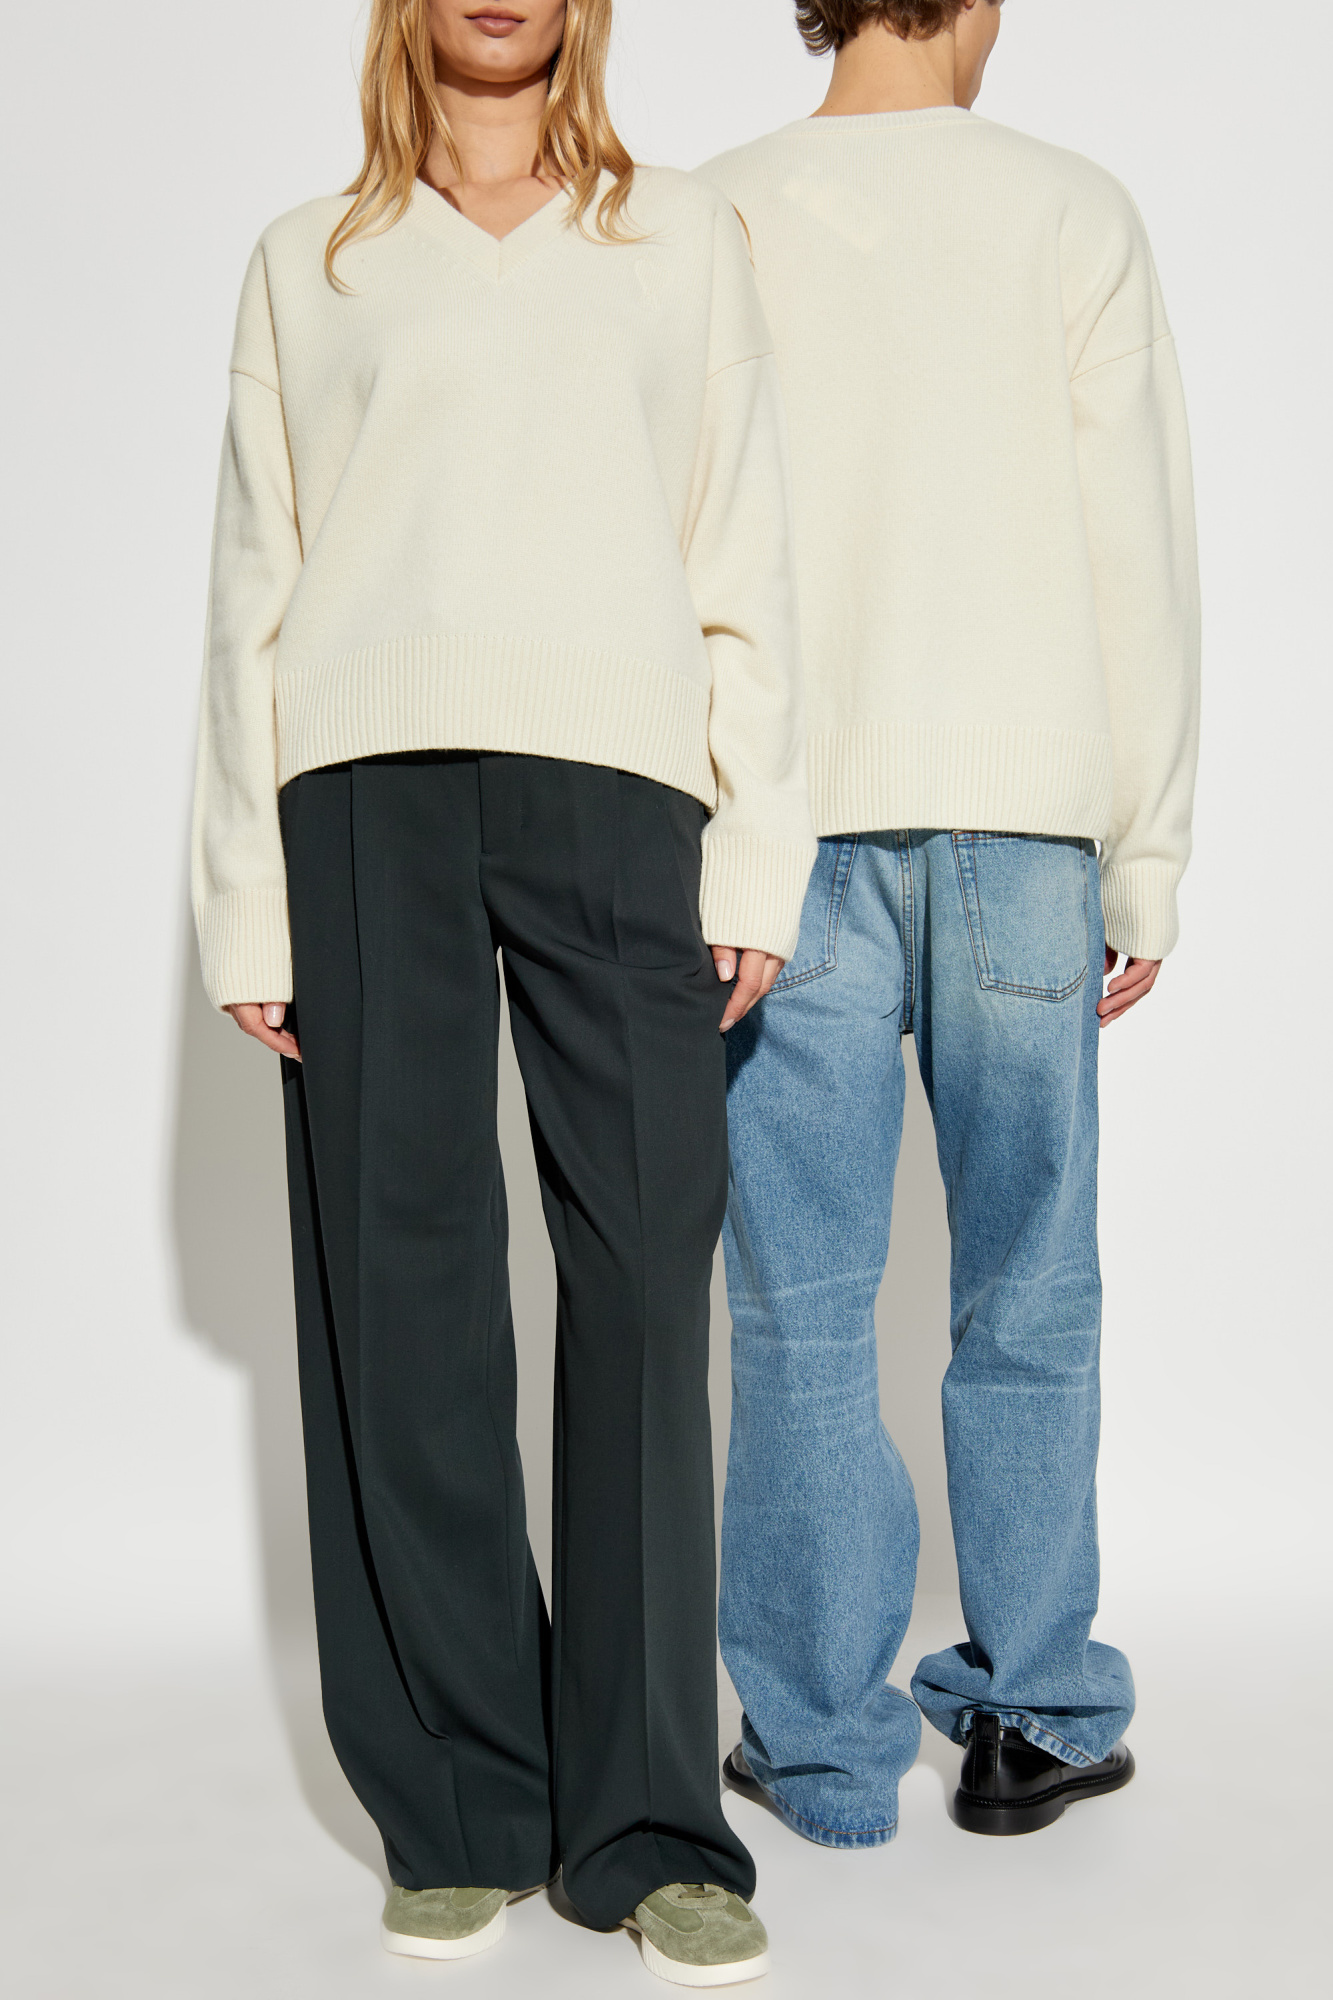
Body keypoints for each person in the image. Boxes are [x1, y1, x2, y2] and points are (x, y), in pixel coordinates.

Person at [192, 0, 815, 1981]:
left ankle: (647, 1824)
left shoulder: (678, 234)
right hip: (358, 795)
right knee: (404, 1293)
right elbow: (253, 583)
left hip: (623, 793)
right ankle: (463, 1795)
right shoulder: (311, 257)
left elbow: (743, 546)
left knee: (638, 1280)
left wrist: (759, 847)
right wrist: (245, 900)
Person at [698, 0, 1200, 1848]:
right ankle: (1033, 1718)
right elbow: (1135, 551)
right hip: (1023, 833)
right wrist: (1145, 849)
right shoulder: (1070, 209)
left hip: (785, 842)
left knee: (800, 1311)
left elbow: (681, 551)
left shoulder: (710, 211)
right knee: (1030, 1287)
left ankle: (822, 1752)